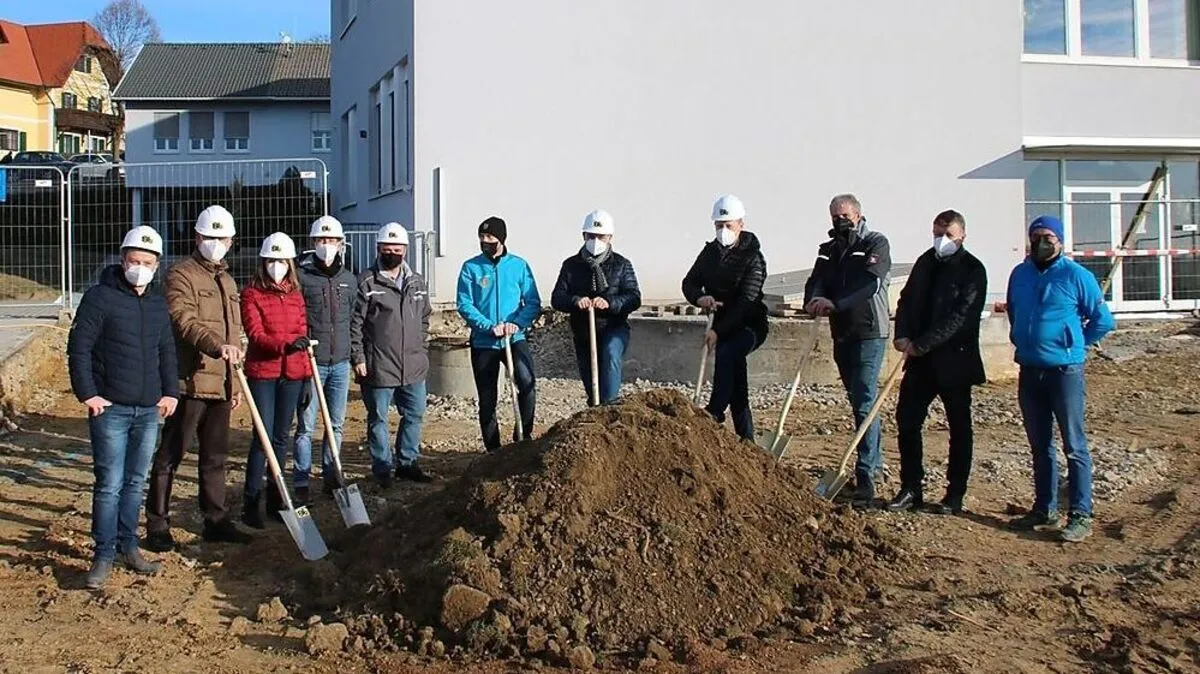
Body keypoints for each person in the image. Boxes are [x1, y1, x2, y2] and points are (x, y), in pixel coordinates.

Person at [67, 226, 178, 588]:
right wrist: (88, 393)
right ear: (122, 258)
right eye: (134, 261)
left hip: (148, 410)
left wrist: (170, 392)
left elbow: (166, 351)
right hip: (110, 408)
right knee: (110, 483)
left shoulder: (158, 303)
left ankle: (130, 546)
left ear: (157, 264)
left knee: (135, 482)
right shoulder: (100, 298)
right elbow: (79, 347)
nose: (139, 268)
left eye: (147, 262)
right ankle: (103, 554)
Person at [144, 204, 250, 551]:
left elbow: (235, 334)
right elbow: (184, 320)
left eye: (222, 238)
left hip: (220, 383)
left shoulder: (229, 280)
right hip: (188, 382)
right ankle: (157, 524)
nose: (216, 243)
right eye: (210, 237)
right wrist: (216, 345)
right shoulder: (181, 275)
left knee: (215, 457)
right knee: (170, 456)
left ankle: (216, 520)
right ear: (197, 236)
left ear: (231, 241)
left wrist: (234, 385)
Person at [1006, 215, 1114, 542]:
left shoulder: (1076, 276)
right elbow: (1014, 310)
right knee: (1040, 445)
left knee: (1074, 445)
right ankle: (1044, 508)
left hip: (1065, 371)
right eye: (1036, 236)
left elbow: (1103, 321)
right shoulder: (1020, 274)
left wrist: (1074, 343)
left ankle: (1080, 513)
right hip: (1029, 368)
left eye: (1048, 236)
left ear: (1061, 241)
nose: (1041, 242)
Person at [887, 210, 987, 515]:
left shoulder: (973, 270)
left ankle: (954, 494)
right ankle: (911, 488)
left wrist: (923, 344)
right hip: (919, 363)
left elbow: (961, 317)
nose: (941, 240)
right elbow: (906, 299)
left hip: (954, 361)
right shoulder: (925, 262)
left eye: (948, 235)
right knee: (907, 421)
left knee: (959, 427)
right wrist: (902, 335)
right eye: (936, 233)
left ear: (962, 237)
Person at [803, 193, 891, 507]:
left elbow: (870, 285)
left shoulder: (875, 244)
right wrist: (813, 300)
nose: (840, 221)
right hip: (841, 333)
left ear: (858, 214)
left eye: (845, 215)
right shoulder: (829, 250)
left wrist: (836, 303)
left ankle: (868, 474)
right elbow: (816, 280)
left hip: (869, 331)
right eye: (834, 217)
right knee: (856, 400)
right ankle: (872, 462)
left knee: (866, 400)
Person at [350, 222, 433, 486]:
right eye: (387, 249)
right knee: (379, 420)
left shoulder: (416, 282)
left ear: (405, 251)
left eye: (397, 249)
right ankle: (383, 468)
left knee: (415, 414)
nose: (392, 253)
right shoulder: (366, 282)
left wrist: (421, 345)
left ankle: (407, 463)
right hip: (379, 366)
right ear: (378, 249)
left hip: (413, 365)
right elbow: (355, 324)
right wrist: (359, 358)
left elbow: (424, 318)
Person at [239, 232, 312, 527]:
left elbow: (303, 334)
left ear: (291, 263)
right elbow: (255, 334)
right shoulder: (251, 294)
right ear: (263, 262)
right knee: (263, 437)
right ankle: (250, 501)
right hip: (263, 372)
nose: (276, 265)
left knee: (282, 437)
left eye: (282, 260)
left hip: (293, 373)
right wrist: (285, 345)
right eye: (271, 260)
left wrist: (306, 375)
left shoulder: (295, 295)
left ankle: (277, 498)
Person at [681, 194, 769, 440]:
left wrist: (717, 332)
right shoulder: (709, 253)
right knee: (738, 383)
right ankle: (747, 439)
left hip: (749, 325)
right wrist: (700, 298)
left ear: (741, 224)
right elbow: (689, 282)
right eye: (719, 225)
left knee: (728, 352)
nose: (723, 230)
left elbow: (744, 304)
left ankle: (715, 410)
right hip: (721, 324)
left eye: (728, 225)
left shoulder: (753, 258)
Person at [456, 216, 542, 450]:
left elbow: (532, 302)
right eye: (482, 237)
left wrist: (517, 324)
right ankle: (493, 450)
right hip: (485, 342)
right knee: (487, 398)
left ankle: (523, 437)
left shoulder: (519, 266)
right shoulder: (471, 267)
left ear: (501, 239)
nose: (486, 241)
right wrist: (487, 326)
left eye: (490, 237)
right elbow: (465, 304)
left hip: (513, 338)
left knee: (526, 382)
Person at [550, 209, 642, 405]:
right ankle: (595, 409)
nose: (595, 241)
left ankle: (609, 406)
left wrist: (610, 303)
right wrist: (575, 300)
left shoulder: (621, 264)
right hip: (583, 332)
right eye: (591, 236)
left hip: (613, 327)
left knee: (610, 354)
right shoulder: (571, 266)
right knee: (591, 382)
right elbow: (557, 298)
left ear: (610, 237)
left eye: (600, 236)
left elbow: (633, 297)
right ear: (584, 236)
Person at [294, 215, 357, 497]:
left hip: (341, 362)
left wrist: (355, 355)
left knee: (336, 424)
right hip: (312, 362)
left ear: (341, 244)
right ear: (313, 243)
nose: (327, 245)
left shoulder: (348, 279)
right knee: (306, 425)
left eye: (332, 240)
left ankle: (332, 475)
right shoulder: (302, 277)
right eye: (322, 240)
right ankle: (301, 479)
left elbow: (354, 317)